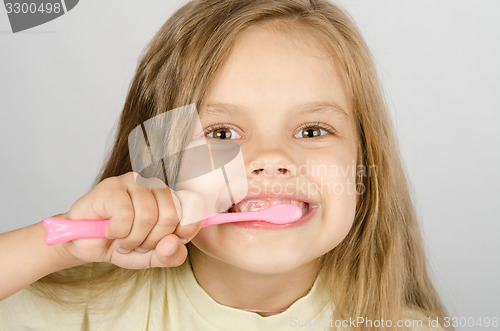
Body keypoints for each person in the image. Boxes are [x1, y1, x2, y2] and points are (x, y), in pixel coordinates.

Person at [0, 0, 451, 330]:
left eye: (312, 131)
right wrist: (57, 244)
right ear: (158, 165)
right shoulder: (82, 311)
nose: (272, 159)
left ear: (362, 169)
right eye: (221, 134)